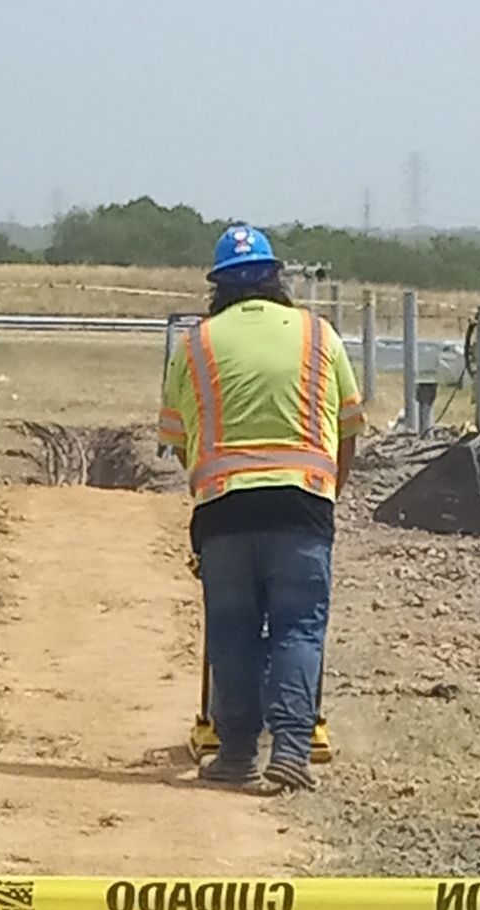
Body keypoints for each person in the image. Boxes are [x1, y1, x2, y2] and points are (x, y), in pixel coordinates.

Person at [159, 226, 363, 793]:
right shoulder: (320, 336)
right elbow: (348, 430)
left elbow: (179, 440)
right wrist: (327, 494)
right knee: (298, 629)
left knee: (233, 631)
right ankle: (292, 752)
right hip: (302, 505)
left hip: (223, 510)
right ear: (278, 279)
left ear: (217, 288)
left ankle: (238, 754)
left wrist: (216, 484)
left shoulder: (195, 344)